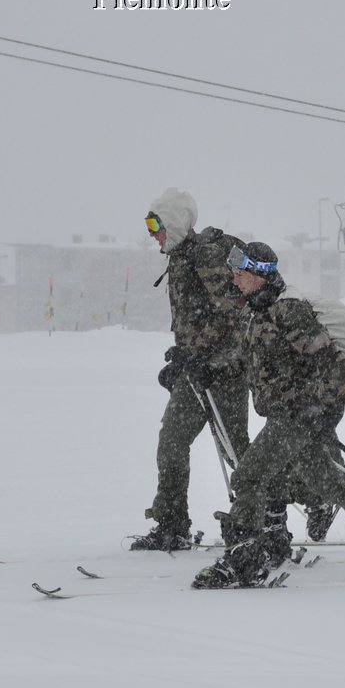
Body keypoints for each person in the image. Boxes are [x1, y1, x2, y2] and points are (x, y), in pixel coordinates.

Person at [192, 243, 345, 588]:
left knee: (249, 476)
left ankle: (244, 557)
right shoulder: (257, 313)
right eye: (234, 271)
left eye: (241, 272)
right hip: (289, 413)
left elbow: (329, 363)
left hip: (302, 413)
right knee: (327, 481)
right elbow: (247, 361)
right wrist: (206, 369)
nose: (235, 278)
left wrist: (317, 409)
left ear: (261, 275)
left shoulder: (288, 311)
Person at [132, 189, 249, 551]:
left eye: (157, 225)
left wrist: (206, 358)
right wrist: (183, 356)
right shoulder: (180, 259)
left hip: (225, 372)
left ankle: (266, 518)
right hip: (197, 373)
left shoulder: (206, 257)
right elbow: (197, 321)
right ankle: (172, 524)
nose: (153, 234)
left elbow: (234, 314)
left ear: (176, 223)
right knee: (172, 442)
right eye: (150, 226)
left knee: (240, 455)